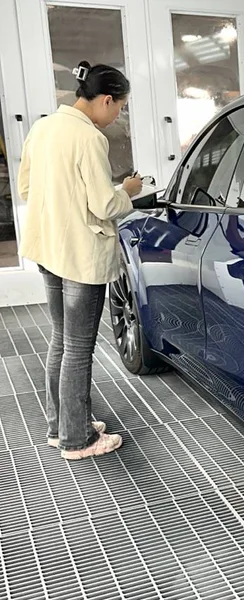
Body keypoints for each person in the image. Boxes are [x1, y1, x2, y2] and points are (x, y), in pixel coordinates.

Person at [17, 60, 143, 460]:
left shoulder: (42, 128)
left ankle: (61, 426)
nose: (117, 115)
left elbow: (25, 188)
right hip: (80, 256)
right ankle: (78, 439)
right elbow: (105, 204)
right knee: (78, 348)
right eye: (120, 107)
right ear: (106, 99)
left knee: (61, 340)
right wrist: (129, 190)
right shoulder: (89, 139)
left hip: (48, 249)